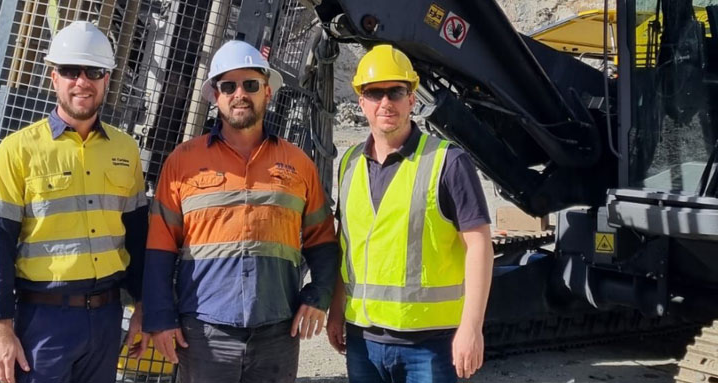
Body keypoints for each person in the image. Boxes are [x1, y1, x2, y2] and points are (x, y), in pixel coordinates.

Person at [143, 39, 338, 383]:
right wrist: (160, 317)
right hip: (204, 334)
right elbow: (160, 247)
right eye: (228, 86)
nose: (240, 94)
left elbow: (322, 240)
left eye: (250, 85)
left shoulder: (298, 164)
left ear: (268, 92)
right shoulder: (182, 163)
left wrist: (319, 296)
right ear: (215, 96)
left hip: (277, 334)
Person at [0, 21, 149, 383]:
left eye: (94, 72)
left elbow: (137, 236)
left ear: (107, 79)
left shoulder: (126, 150)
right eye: (71, 71)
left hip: (105, 318)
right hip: (42, 322)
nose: (82, 82)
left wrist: (142, 307)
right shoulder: (17, 151)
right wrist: (0, 331)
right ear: (53, 77)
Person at [327, 45, 494, 382]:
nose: (385, 102)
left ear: (411, 100)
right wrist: (336, 309)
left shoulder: (447, 162)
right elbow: (347, 246)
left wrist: (471, 328)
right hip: (364, 338)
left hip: (430, 344)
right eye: (375, 92)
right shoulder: (349, 164)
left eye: (396, 92)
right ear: (361, 101)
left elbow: (480, 247)